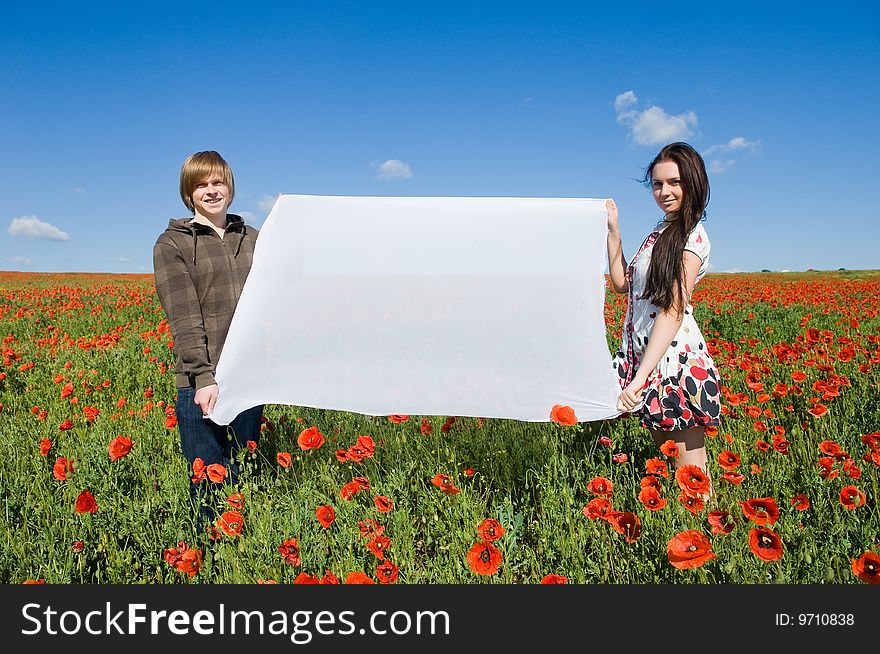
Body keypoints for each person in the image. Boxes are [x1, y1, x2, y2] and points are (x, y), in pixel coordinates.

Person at [153, 150, 263, 529]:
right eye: (201, 184)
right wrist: (202, 377)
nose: (211, 191)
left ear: (230, 187)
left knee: (244, 474)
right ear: (189, 193)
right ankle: (210, 562)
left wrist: (287, 224)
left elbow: (287, 285)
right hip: (201, 382)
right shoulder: (173, 244)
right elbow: (183, 316)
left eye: (218, 182)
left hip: (247, 378)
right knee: (208, 482)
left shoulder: (252, 238)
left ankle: (246, 555)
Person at [606, 142, 722, 492]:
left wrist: (639, 378)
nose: (664, 191)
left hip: (673, 363)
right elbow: (621, 284)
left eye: (674, 182)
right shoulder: (658, 233)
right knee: (674, 469)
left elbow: (673, 309)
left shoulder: (692, 236)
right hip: (647, 359)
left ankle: (706, 539)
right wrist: (614, 231)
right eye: (657, 184)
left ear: (693, 182)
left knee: (692, 478)